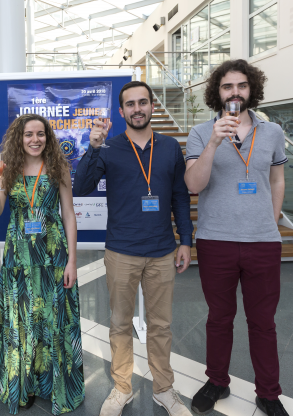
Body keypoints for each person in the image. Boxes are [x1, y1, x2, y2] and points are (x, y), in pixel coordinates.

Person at [73, 81, 194, 416]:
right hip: (121, 251)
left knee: (161, 325)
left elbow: (180, 197)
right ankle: (122, 387)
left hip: (161, 251)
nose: (137, 109)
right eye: (130, 104)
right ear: (122, 110)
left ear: (152, 106)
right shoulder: (108, 147)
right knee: (120, 323)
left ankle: (164, 389)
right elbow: (81, 187)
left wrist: (186, 240)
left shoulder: (170, 147)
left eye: (143, 102)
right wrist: (93, 147)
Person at [184, 59, 289, 416]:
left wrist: (270, 222)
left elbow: (277, 179)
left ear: (251, 89)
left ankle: (269, 393)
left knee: (263, 322)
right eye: (227, 86)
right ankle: (217, 381)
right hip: (216, 240)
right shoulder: (201, 132)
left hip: (263, 242)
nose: (235, 92)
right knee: (219, 317)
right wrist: (214, 141)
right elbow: (194, 185)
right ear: (217, 92)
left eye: (241, 85)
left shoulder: (272, 132)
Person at [0, 114, 84, 415]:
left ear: (47, 137)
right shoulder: (7, 169)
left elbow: (69, 214)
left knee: (53, 319)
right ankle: (24, 384)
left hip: (53, 255)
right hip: (19, 258)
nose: (35, 139)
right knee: (22, 320)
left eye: (40, 134)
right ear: (20, 138)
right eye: (28, 134)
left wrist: (72, 261)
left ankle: (53, 384)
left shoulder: (58, 168)